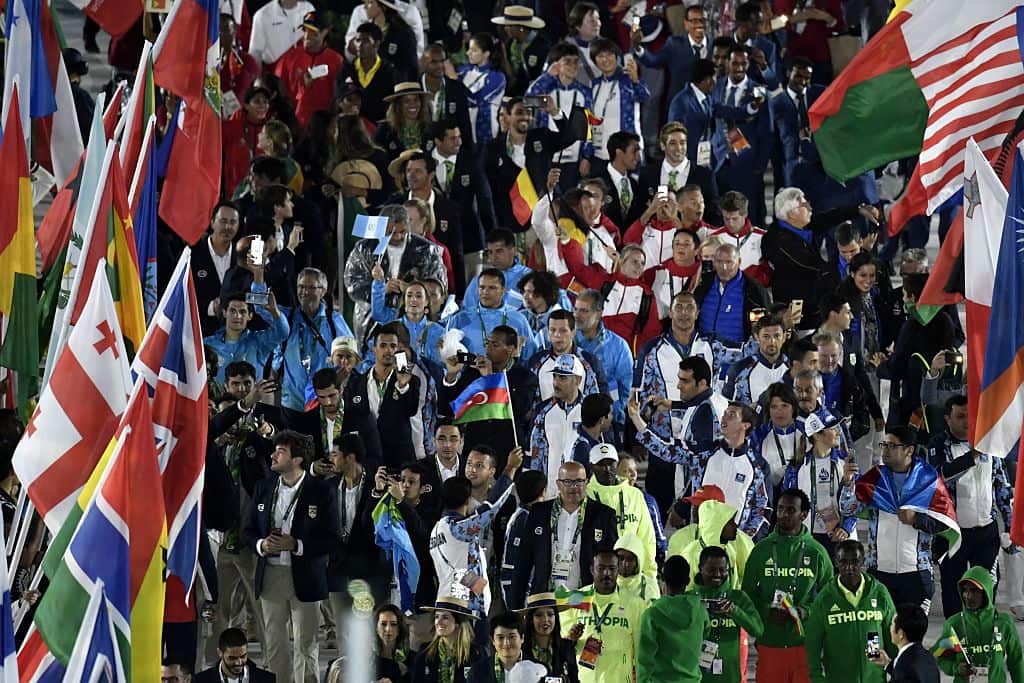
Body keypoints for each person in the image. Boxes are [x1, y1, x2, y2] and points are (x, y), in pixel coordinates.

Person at [243, 430, 340, 683]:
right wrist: (262, 545)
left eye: (281, 451)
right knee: (275, 644)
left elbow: (332, 538)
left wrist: (296, 544)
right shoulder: (263, 487)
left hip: (306, 575)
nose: (273, 455)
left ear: (297, 460)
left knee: (305, 645)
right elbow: (248, 530)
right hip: (271, 576)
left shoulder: (321, 491)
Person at [840, 425, 952, 614]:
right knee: (879, 637)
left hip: (917, 574)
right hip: (880, 572)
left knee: (912, 639)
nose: (885, 450)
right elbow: (848, 508)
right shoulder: (874, 479)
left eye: (892, 446)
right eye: (884, 444)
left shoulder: (928, 480)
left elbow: (944, 520)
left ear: (909, 449)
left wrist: (917, 519)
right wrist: (848, 482)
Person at [927, 394, 1015, 618]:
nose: (966, 421)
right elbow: (939, 476)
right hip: (953, 534)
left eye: (970, 415)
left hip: (986, 531)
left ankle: (983, 639)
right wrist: (971, 457)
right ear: (948, 418)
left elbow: (1001, 486)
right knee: (953, 591)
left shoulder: (988, 444)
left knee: (986, 588)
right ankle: (956, 644)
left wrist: (1010, 526)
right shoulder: (938, 443)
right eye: (960, 416)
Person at [634, 398, 768, 538]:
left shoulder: (757, 465)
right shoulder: (704, 452)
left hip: (735, 545)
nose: (724, 417)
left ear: (745, 425)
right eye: (725, 413)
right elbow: (667, 449)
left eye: (731, 415)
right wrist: (636, 418)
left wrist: (746, 539)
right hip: (700, 538)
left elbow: (762, 507)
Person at [742, 488, 834, 682]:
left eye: (790, 510)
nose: (783, 514)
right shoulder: (761, 550)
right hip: (769, 643)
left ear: (804, 514)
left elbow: (829, 597)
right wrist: (767, 610)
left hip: (805, 645)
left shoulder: (817, 552)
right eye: (780, 508)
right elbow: (747, 594)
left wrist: (805, 612)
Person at [763, 187, 880, 330]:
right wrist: (858, 255)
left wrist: (858, 209)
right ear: (792, 214)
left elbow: (829, 217)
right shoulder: (779, 240)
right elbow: (815, 266)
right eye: (804, 205)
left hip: (815, 305)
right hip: (799, 315)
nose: (810, 207)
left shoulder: (800, 227)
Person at [509, 461, 618, 604]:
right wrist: (516, 607)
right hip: (546, 600)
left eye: (579, 481)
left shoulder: (603, 515)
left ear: (586, 483)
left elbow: (611, 562)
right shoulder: (539, 513)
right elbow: (523, 562)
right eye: (567, 481)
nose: (573, 487)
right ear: (558, 484)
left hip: (585, 600)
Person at [345, 204, 447, 339]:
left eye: (403, 232)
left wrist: (411, 290)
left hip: (412, 319)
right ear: (381, 228)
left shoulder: (426, 250)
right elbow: (352, 282)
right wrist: (380, 290)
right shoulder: (365, 248)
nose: (398, 237)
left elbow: (438, 287)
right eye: (391, 233)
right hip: (370, 321)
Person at [429, 469, 517, 620]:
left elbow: (458, 570)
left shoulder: (437, 529)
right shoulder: (458, 528)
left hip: (449, 602)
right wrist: (510, 470)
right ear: (468, 500)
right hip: (465, 609)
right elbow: (491, 508)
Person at [806, 540, 897, 683]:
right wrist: (816, 678)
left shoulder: (880, 593)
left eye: (854, 562)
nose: (849, 567)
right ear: (836, 562)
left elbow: (893, 636)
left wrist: (899, 671)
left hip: (875, 679)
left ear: (863, 562)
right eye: (843, 562)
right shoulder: (825, 599)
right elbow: (812, 642)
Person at [271, 267, 354, 411]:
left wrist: (339, 378)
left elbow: (352, 355)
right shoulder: (287, 318)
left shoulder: (333, 321)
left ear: (322, 291)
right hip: (292, 403)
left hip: (324, 404)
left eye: (311, 287)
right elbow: (258, 308)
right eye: (301, 287)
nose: (305, 292)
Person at [343, 322, 420, 469]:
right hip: (366, 460)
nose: (388, 350)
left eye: (393, 346)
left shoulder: (411, 381)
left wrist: (402, 385)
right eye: (383, 345)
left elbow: (411, 410)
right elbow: (349, 422)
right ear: (374, 350)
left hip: (399, 461)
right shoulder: (356, 384)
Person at [560, 549, 645, 683]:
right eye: (601, 568)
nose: (607, 573)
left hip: (620, 679)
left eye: (612, 568)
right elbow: (561, 645)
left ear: (618, 571)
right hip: (583, 679)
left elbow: (641, 649)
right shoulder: (575, 599)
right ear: (592, 569)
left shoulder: (635, 604)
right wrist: (571, 637)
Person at [783, 408, 857, 558]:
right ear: (817, 435)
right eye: (832, 428)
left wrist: (846, 527)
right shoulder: (796, 468)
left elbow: (858, 502)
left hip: (840, 536)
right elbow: (787, 505)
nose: (838, 431)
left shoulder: (846, 464)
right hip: (807, 538)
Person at [933, 567, 1024, 683]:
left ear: (986, 592)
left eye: (974, 591)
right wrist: (956, 669)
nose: (968, 596)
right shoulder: (954, 624)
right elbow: (939, 656)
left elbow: (1016, 661)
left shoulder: (1004, 622)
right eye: (965, 590)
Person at [689, 545, 764, 683]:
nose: (717, 574)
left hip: (730, 676)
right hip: (697, 677)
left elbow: (758, 630)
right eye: (712, 570)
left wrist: (735, 612)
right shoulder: (689, 599)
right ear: (700, 568)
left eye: (722, 570)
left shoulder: (738, 598)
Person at [694, 244, 771, 372]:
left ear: (739, 262)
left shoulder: (754, 291)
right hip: (702, 357)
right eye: (719, 262)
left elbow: (763, 328)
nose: (724, 267)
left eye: (729, 262)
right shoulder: (703, 284)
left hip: (738, 362)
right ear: (714, 261)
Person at [587, 444, 657, 578]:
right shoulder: (586, 494)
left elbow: (647, 538)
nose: (607, 469)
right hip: (596, 576)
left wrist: (649, 574)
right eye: (601, 464)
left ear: (617, 464)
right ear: (591, 466)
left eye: (611, 464)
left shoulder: (634, 495)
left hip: (631, 574)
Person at [637, 555, 708, 683]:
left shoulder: (652, 614)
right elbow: (705, 636)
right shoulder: (700, 611)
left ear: (662, 580)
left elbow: (644, 659)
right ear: (687, 581)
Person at [574, 289, 634, 435]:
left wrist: (611, 416)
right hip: (572, 420)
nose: (577, 315)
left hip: (607, 423)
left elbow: (625, 389)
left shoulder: (618, 346)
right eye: (575, 309)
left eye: (584, 311)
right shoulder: (567, 341)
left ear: (599, 312)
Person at [273, 11, 344, 130]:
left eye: (312, 31)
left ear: (325, 32)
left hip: (324, 127)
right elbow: (277, 92)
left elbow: (340, 98)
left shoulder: (336, 61)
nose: (306, 35)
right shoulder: (289, 58)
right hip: (294, 127)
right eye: (305, 30)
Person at [528, 354, 587, 495]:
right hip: (550, 491)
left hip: (581, 491)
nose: (556, 382)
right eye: (555, 376)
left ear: (578, 380)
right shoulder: (542, 411)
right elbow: (534, 451)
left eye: (562, 377)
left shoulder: (589, 410)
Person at [204, 285, 289, 384]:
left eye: (242, 312)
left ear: (250, 316)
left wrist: (274, 311)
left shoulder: (259, 342)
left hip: (252, 398)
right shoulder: (208, 344)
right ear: (224, 313)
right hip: (218, 399)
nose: (237, 316)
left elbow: (283, 332)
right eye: (232, 311)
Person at [445, 268, 537, 358]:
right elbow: (446, 353)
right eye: (482, 287)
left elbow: (530, 355)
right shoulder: (460, 318)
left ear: (503, 290)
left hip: (508, 373)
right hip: (470, 372)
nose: (485, 292)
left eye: (492, 288)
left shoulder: (518, 320)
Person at [194, 202, 243, 335]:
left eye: (233, 222)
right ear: (212, 222)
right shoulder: (192, 253)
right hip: (200, 334)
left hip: (236, 338)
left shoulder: (244, 256)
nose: (227, 227)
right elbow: (181, 295)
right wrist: (210, 307)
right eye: (223, 221)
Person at [410, 596, 485, 683]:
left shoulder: (474, 653)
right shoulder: (425, 651)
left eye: (445, 617)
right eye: (437, 617)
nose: (438, 622)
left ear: (457, 623)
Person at [721, 314, 788, 406]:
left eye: (777, 336)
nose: (772, 341)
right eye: (766, 336)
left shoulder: (793, 369)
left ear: (784, 337)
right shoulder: (739, 370)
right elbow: (728, 408)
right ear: (757, 337)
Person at [337, 22, 398, 124]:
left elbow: (393, 106)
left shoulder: (390, 72)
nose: (360, 45)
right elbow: (337, 98)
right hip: (350, 129)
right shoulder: (346, 69)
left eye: (365, 41)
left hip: (379, 131)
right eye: (358, 40)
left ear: (377, 43)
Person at [517, 592, 579, 680]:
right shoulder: (520, 649)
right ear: (531, 619)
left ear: (556, 618)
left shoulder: (566, 647)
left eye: (550, 614)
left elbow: (574, 679)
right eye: (539, 615)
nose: (545, 620)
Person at [877, 604, 939, 683]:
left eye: (892, 624)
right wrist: (887, 663)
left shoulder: (904, 667)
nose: (890, 628)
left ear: (900, 634)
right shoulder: (929, 658)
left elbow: (905, 676)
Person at [248, 0, 314, 68]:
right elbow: (255, 52)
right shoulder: (262, 16)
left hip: (305, 68)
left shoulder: (309, 8)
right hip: (275, 73)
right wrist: (258, 78)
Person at [600, 131, 644, 231]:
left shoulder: (635, 184)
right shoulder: (597, 182)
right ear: (619, 153)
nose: (638, 157)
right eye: (634, 151)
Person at [194, 628, 275, 682]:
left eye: (243, 656)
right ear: (220, 653)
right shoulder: (201, 680)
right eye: (232, 658)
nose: (238, 662)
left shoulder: (266, 679)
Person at [467, 611, 526, 682]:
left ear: (522, 638)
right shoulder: (477, 671)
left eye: (512, 637)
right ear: (493, 640)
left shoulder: (539, 669)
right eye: (500, 637)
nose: (506, 643)